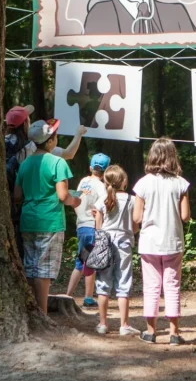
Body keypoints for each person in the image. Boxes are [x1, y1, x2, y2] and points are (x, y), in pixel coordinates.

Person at [14, 119, 79, 313]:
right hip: (50, 221)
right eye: (55, 137)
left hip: (28, 220)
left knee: (30, 267)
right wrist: (76, 201)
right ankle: (41, 313)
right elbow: (63, 195)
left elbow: (17, 195)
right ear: (50, 141)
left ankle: (30, 309)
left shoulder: (25, 163)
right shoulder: (58, 162)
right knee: (43, 271)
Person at [132, 137, 191, 345]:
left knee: (151, 286)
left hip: (148, 243)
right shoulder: (180, 184)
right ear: (172, 157)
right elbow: (185, 216)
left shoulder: (143, 183)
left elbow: (137, 217)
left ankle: (151, 332)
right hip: (173, 242)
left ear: (152, 156)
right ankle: (174, 334)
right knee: (172, 285)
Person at [91, 165, 140, 336]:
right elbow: (135, 228)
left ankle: (103, 324)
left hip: (104, 245)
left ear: (106, 182)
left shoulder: (102, 201)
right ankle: (124, 325)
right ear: (124, 181)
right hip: (124, 245)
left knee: (103, 284)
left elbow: (98, 227)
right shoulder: (133, 201)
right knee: (123, 282)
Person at [65, 152, 110, 308]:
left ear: (90, 167)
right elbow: (105, 202)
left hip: (81, 226)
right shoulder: (101, 186)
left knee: (80, 261)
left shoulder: (83, 181)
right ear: (106, 171)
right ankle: (88, 298)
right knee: (90, 262)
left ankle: (67, 295)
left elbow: (76, 199)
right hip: (92, 227)